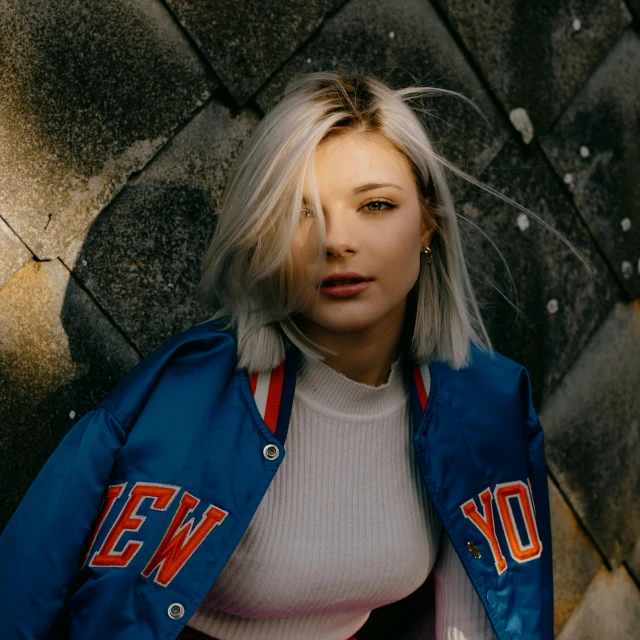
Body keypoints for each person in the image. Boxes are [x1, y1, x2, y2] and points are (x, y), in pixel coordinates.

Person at [0, 71, 557, 640]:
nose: (337, 240)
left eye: (377, 205)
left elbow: (484, 615)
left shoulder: (488, 407)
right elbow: (24, 594)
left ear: (427, 225)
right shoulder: (180, 399)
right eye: (301, 210)